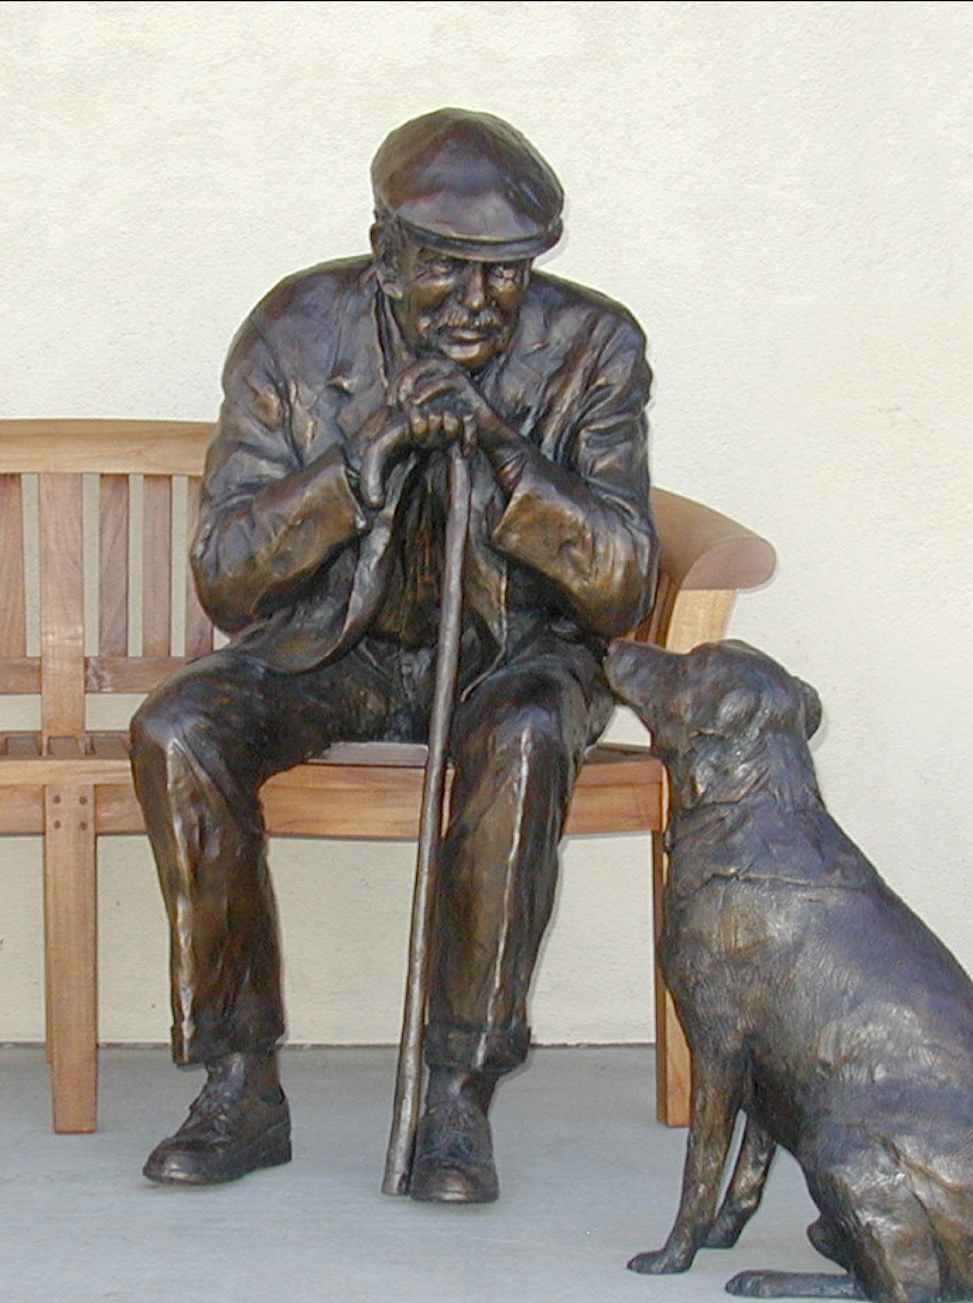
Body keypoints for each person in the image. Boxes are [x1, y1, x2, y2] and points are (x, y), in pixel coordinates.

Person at [130, 109, 659, 1203]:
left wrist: (507, 459)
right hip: (337, 648)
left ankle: (456, 1095)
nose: (476, 304)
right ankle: (239, 1085)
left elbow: (618, 581)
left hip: (512, 651)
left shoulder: (596, 348)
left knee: (518, 740)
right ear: (383, 251)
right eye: (445, 272)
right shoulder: (293, 333)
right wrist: (355, 460)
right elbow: (227, 577)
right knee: (178, 731)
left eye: (503, 276)